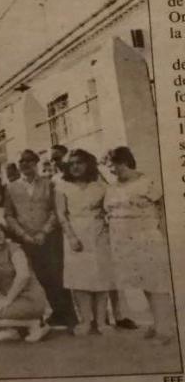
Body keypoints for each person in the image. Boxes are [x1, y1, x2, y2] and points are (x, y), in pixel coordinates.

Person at [104, 147, 174, 343]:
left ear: (125, 162)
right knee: (143, 283)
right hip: (123, 241)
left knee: (156, 283)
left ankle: (165, 330)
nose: (113, 171)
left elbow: (164, 210)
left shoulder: (147, 183)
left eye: (115, 166)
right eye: (110, 168)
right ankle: (156, 322)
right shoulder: (113, 187)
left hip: (146, 238)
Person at [4, 149, 77, 329]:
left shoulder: (48, 184)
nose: (25, 164)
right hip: (25, 239)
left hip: (48, 238)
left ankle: (67, 316)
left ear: (36, 162)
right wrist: (24, 235)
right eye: (22, 161)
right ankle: (44, 314)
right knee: (35, 278)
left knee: (56, 276)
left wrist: (44, 232)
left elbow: (55, 210)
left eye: (29, 160)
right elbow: (9, 215)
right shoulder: (11, 187)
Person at [55, 149, 115, 335]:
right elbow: (61, 214)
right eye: (71, 164)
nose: (75, 167)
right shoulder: (62, 186)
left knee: (101, 278)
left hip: (99, 233)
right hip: (75, 233)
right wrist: (71, 237)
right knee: (80, 279)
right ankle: (86, 322)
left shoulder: (100, 186)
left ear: (88, 164)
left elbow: (109, 209)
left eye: (79, 162)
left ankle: (102, 322)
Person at [0, 224, 50, 343]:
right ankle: (12, 330)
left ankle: (37, 324)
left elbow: (23, 276)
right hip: (9, 298)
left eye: (1, 230)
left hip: (29, 297)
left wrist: (7, 299)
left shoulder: (14, 249)